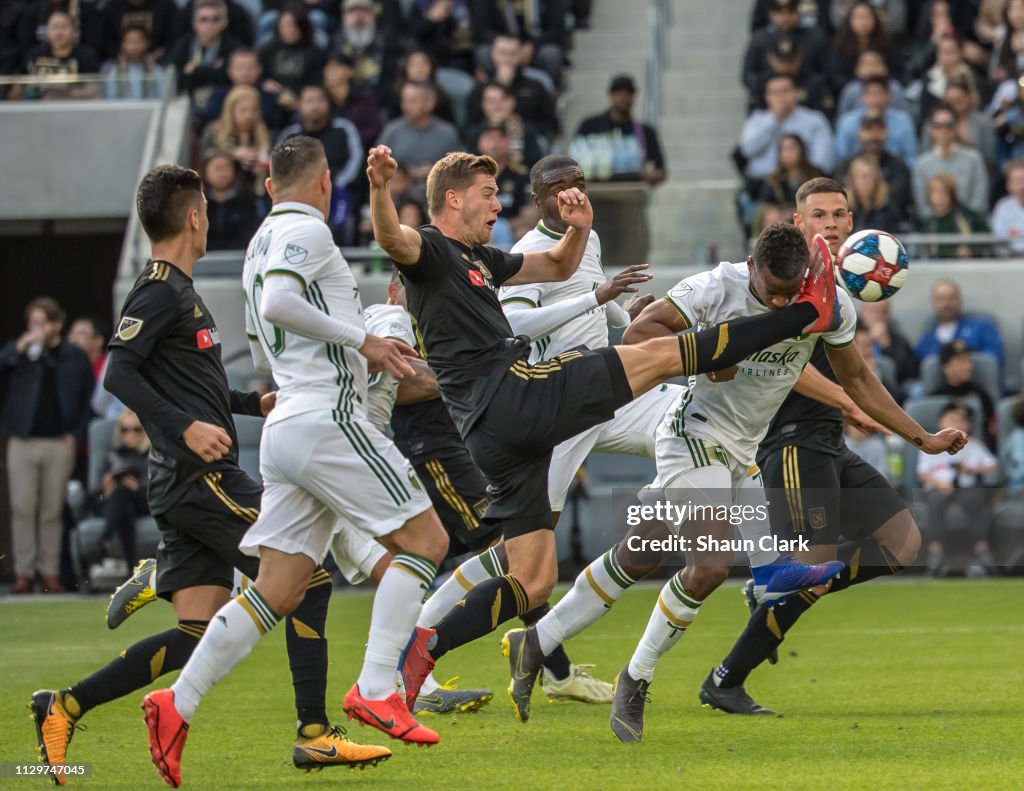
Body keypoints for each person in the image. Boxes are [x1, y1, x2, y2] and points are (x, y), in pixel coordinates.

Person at [366, 144, 852, 714]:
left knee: (533, 578)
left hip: (513, 423)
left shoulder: (488, 257)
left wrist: (582, 231)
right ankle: (801, 313)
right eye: (488, 193)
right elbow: (394, 240)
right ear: (453, 199)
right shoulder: (431, 247)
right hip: (532, 392)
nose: (499, 202)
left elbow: (560, 268)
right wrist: (379, 187)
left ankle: (425, 651)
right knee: (664, 356)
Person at [29, 165, 383, 782]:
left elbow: (194, 385)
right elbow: (119, 372)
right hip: (201, 478)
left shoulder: (180, 291)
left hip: (186, 484)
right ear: (195, 217)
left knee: (196, 633)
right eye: (207, 211)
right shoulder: (160, 289)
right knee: (310, 579)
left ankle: (63, 706)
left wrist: (253, 404)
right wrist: (187, 430)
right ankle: (315, 734)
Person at [141, 137, 448, 785]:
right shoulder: (307, 231)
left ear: (272, 185)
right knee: (426, 539)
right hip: (325, 418)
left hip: (288, 425)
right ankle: (374, 687)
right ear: (323, 183)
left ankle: (177, 701)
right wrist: (361, 338)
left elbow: (264, 332)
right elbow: (282, 303)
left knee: (276, 588)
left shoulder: (258, 241)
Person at [681, 178, 965, 723]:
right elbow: (784, 370)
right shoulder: (776, 285)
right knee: (814, 561)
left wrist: (922, 438)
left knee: (902, 543)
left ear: (853, 224)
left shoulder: (838, 291)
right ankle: (727, 679)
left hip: (826, 438)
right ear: (797, 223)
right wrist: (847, 400)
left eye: (839, 215)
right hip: (786, 439)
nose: (830, 224)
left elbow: (859, 378)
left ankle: (774, 593)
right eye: (818, 215)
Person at [1, 297, 93, 594]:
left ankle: (49, 572)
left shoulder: (72, 356)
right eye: (32, 322)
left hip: (58, 442)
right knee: (22, 507)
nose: (36, 329)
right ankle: (24, 573)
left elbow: (87, 400)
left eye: (42, 322)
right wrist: (19, 349)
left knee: (52, 509)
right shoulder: (21, 354)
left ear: (56, 324)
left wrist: (76, 434)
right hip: (22, 440)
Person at [918, 403, 997, 577]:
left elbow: (993, 466)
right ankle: (935, 553)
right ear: (941, 423)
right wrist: (940, 484)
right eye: (951, 419)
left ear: (968, 425)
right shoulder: (931, 445)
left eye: (961, 421)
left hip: (966, 488)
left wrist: (973, 470)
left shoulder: (975, 446)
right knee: (935, 502)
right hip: (939, 487)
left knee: (976, 499)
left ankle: (981, 550)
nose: (956, 424)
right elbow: (922, 474)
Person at [278, 84, 364, 242]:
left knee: (345, 220)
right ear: (299, 105)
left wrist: (334, 183)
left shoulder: (344, 129)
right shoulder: (290, 135)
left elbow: (356, 159)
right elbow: (280, 168)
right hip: (299, 194)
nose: (315, 106)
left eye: (320, 100)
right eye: (309, 101)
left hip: (338, 191)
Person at [738, 73, 835, 184]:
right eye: (775, 92)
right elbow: (747, 150)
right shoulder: (757, 120)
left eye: (785, 91)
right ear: (766, 97)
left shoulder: (815, 120)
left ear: (796, 93)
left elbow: (824, 160)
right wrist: (774, 119)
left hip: (805, 183)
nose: (781, 97)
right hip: (762, 183)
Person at [575, 74, 667, 187]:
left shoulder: (645, 132)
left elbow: (660, 171)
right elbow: (573, 164)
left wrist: (648, 176)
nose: (623, 97)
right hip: (595, 193)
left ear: (633, 97)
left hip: (633, 195)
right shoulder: (589, 126)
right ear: (611, 95)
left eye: (628, 93)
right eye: (619, 93)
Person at [912, 104, 989, 220]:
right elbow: (923, 207)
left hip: (970, 228)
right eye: (938, 126)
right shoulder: (921, 165)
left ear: (956, 127)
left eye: (949, 126)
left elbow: (980, 200)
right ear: (930, 129)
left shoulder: (974, 159)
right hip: (934, 230)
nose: (944, 131)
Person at [377, 80, 463, 183]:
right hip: (395, 193)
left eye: (412, 101)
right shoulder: (392, 131)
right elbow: (376, 167)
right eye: (403, 101)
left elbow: (458, 171)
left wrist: (435, 172)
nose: (405, 106)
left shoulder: (447, 134)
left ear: (429, 103)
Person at [97, 410, 151, 569]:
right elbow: (95, 495)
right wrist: (107, 489)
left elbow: (161, 488)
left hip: (146, 502)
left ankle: (105, 537)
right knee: (123, 502)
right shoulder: (112, 456)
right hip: (118, 505)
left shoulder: (153, 455)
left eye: (136, 429)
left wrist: (138, 487)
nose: (130, 434)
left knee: (123, 492)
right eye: (125, 429)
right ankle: (131, 569)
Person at [834, 112, 913, 219]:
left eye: (879, 130)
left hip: (889, 223)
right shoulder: (844, 166)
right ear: (860, 133)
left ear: (886, 132)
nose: (874, 136)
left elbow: (899, 199)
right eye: (869, 130)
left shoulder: (898, 166)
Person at [199, 84, 272, 200]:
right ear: (231, 110)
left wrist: (263, 163)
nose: (249, 115)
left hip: (253, 191)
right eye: (243, 110)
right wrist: (233, 155)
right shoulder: (213, 130)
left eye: (254, 110)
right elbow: (204, 158)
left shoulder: (264, 133)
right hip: (219, 193)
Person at [162, 0, 240, 106]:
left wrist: (194, 70)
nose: (210, 24)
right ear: (195, 23)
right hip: (186, 102)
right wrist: (212, 70)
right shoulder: (183, 45)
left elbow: (227, 77)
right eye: (204, 20)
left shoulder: (233, 47)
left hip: (223, 103)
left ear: (223, 23)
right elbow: (177, 77)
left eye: (215, 19)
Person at [925, 339, 997, 449]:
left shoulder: (981, 395)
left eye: (968, 361)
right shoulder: (933, 397)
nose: (968, 366)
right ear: (945, 367)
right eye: (960, 361)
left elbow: (992, 430)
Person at [916, 279, 1005, 367]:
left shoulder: (981, 328)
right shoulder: (927, 339)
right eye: (940, 299)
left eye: (951, 298)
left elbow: (995, 358)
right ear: (933, 304)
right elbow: (918, 368)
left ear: (960, 300)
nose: (946, 304)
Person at [834, 76, 917, 165]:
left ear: (889, 96)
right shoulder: (847, 122)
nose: (875, 99)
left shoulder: (903, 120)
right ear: (862, 97)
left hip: (893, 171)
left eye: (880, 93)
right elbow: (841, 156)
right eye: (871, 94)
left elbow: (911, 157)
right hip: (855, 172)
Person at [475, 123, 533, 246]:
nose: (494, 144)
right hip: (477, 226)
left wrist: (502, 226)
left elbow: (528, 213)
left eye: (500, 138)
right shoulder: (470, 175)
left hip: (511, 227)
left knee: (524, 233)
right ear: (479, 142)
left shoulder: (521, 174)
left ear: (508, 142)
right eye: (489, 138)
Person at [23, 10, 100, 99]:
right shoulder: (35, 55)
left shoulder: (86, 55)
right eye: (54, 27)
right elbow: (29, 89)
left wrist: (68, 94)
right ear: (47, 31)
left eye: (64, 27)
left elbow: (93, 90)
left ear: (74, 30)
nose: (59, 33)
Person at [257, 3, 325, 99]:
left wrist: (296, 98)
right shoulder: (267, 49)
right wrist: (264, 83)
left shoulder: (315, 53)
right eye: (283, 26)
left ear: (302, 26)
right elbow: (258, 75)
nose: (288, 30)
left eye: (292, 25)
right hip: (272, 97)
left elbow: (316, 82)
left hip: (302, 99)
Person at [916, 172, 990, 258]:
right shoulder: (928, 223)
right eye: (936, 193)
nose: (940, 197)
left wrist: (971, 250)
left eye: (944, 193)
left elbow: (985, 233)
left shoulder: (965, 215)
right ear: (928, 196)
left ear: (952, 195)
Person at [202, 149, 260, 249]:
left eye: (226, 168)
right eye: (218, 168)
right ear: (205, 172)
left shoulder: (246, 201)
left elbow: (250, 233)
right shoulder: (198, 203)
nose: (222, 173)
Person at [858, 298, 919, 384]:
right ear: (863, 313)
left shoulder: (898, 339)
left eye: (884, 312)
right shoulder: (850, 337)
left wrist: (887, 346)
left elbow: (910, 373)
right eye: (874, 311)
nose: (878, 316)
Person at [835, 49, 909, 117]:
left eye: (875, 63)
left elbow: (904, 114)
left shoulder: (894, 88)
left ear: (885, 68)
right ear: (857, 69)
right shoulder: (851, 90)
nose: (871, 68)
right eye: (866, 64)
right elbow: (842, 117)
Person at [759, 133, 823, 207]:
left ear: (801, 150)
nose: (787, 153)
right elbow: (766, 206)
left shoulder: (816, 175)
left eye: (791, 148)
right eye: (783, 149)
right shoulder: (773, 180)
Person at [844, 154, 905, 232]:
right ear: (852, 180)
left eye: (870, 177)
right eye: (863, 177)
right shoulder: (845, 208)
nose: (866, 182)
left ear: (876, 181)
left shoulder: (888, 207)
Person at [990, 156, 1024, 253]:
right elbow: (998, 239)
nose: (1022, 186)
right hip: (1011, 260)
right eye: (1017, 181)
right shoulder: (1003, 206)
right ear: (1008, 186)